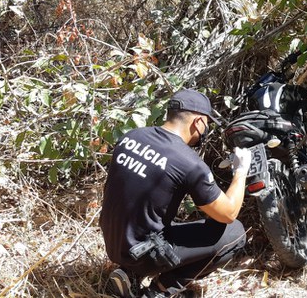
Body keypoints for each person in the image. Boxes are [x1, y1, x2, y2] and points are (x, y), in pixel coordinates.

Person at [100, 89, 252, 298]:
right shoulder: (188, 162)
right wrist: (241, 172)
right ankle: (159, 290)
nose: (205, 130)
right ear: (198, 122)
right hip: (142, 253)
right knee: (235, 233)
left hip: (114, 242)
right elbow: (228, 213)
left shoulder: (132, 136)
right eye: (206, 124)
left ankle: (128, 273)